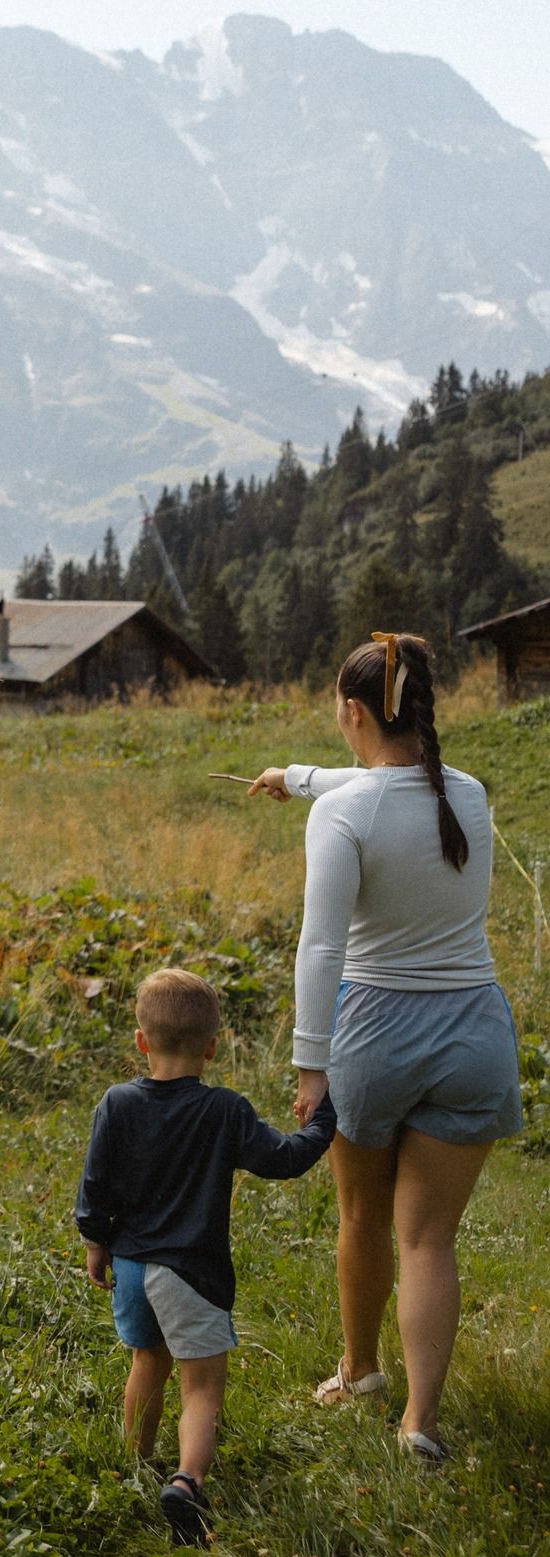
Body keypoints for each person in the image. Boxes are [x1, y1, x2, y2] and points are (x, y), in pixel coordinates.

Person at [250, 628, 518, 1465]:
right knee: (428, 1240)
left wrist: (308, 1062)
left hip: (373, 1033)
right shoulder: (468, 794)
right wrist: (296, 779)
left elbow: (321, 947)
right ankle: (420, 1425)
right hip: (473, 1031)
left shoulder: (346, 814)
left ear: (354, 710)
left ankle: (361, 1371)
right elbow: (386, 787)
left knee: (363, 1216)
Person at [77, 965, 337, 1545]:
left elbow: (95, 1184)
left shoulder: (116, 1103)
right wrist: (324, 1120)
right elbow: (285, 1159)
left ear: (142, 1041)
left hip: (133, 1268)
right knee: (201, 1389)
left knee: (148, 1362)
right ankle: (187, 1482)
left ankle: (136, 1465)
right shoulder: (223, 1110)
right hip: (189, 1273)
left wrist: (96, 1243)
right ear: (213, 1047)